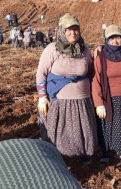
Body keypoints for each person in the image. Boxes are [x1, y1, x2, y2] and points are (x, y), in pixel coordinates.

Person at [36, 13, 97, 163]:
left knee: (84, 133)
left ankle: (84, 156)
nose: (72, 32)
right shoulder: (52, 49)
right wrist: (42, 97)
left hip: (82, 101)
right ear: (62, 31)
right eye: (68, 29)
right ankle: (59, 159)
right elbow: (41, 73)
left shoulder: (85, 51)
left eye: (75, 29)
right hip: (60, 102)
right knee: (60, 133)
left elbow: (91, 72)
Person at [92, 25, 121, 164]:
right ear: (106, 41)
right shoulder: (101, 56)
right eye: (111, 39)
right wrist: (98, 103)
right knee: (106, 125)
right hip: (108, 98)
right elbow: (95, 80)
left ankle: (119, 150)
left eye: (118, 38)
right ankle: (105, 151)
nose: (115, 42)